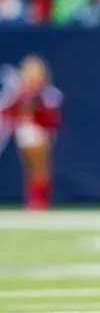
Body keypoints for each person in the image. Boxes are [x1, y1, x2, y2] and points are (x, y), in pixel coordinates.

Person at [0, 55, 62, 209]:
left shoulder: (47, 94)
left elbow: (52, 119)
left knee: (41, 169)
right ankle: (33, 200)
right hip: (24, 135)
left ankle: (41, 200)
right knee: (29, 169)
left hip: (41, 135)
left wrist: (36, 106)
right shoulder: (19, 94)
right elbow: (7, 112)